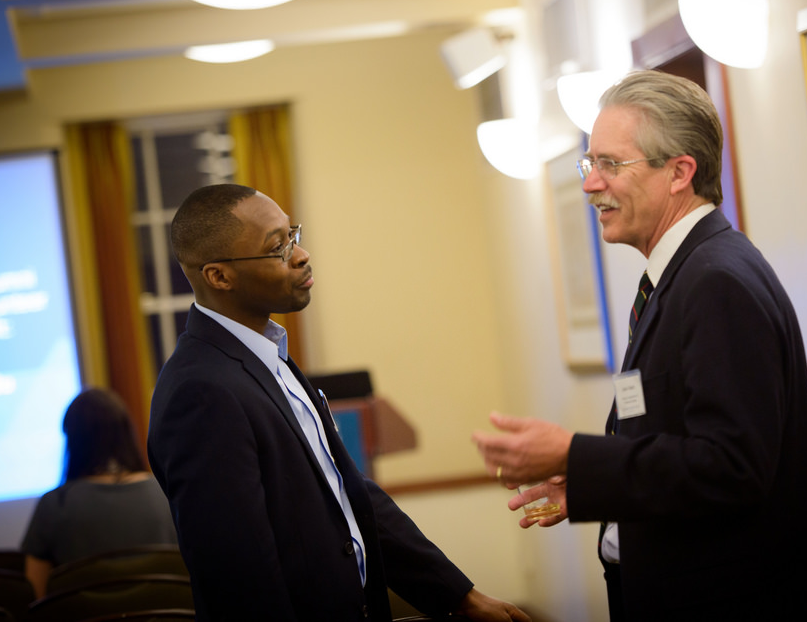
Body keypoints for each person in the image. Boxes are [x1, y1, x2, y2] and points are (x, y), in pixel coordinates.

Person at [472, 70, 807, 620]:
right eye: (590, 164)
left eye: (610, 164)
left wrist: (575, 455)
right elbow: (675, 439)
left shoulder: (715, 281)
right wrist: (589, 481)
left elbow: (731, 465)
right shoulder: (680, 275)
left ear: (680, 172)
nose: (590, 184)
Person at [147, 183, 530, 622]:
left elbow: (347, 495)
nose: (301, 254)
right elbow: (239, 578)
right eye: (278, 248)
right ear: (219, 276)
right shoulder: (200, 393)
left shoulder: (267, 355)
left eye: (293, 235)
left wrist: (459, 597)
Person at [21, 387, 177, 598]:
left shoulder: (55, 504)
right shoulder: (166, 494)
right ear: (126, 433)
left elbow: (35, 598)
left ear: (73, 441)